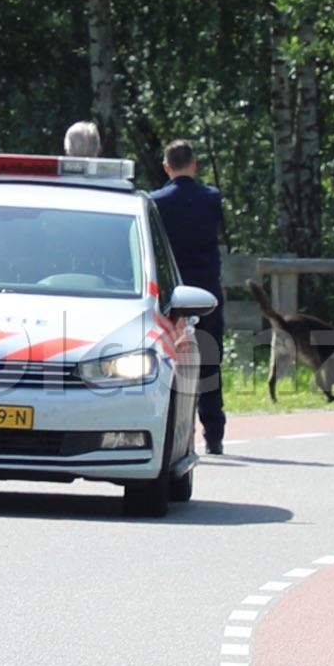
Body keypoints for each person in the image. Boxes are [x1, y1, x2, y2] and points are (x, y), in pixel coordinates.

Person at [151, 139, 227, 454]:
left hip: (173, 292)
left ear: (166, 167)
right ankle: (214, 432)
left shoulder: (156, 201)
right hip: (207, 289)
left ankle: (174, 433)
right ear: (194, 165)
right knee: (209, 361)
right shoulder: (211, 199)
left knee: (171, 361)